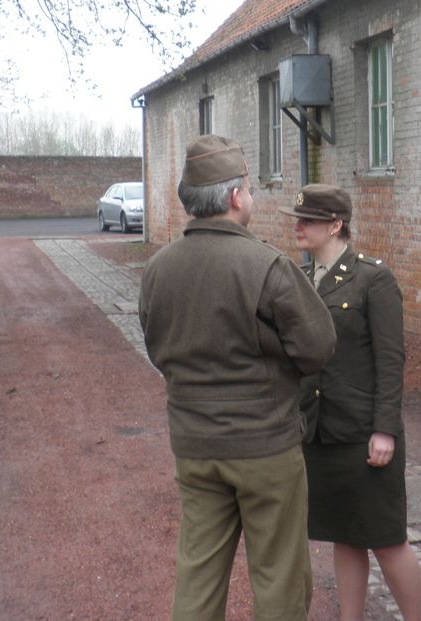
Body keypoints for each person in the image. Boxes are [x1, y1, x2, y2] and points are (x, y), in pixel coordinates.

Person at [138, 135, 336, 621]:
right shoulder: (266, 265)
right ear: (234, 198)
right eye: (249, 188)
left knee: (198, 577)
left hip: (195, 447)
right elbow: (318, 348)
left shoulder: (158, 269)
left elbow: (157, 348)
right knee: (279, 580)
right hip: (265, 447)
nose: (251, 197)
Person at [279, 184, 421, 621]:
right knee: (344, 534)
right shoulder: (302, 279)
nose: (298, 226)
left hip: (364, 434)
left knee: (386, 538)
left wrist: (384, 429)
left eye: (308, 219)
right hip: (320, 431)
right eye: (298, 218)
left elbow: (390, 359)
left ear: (336, 225)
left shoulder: (373, 279)